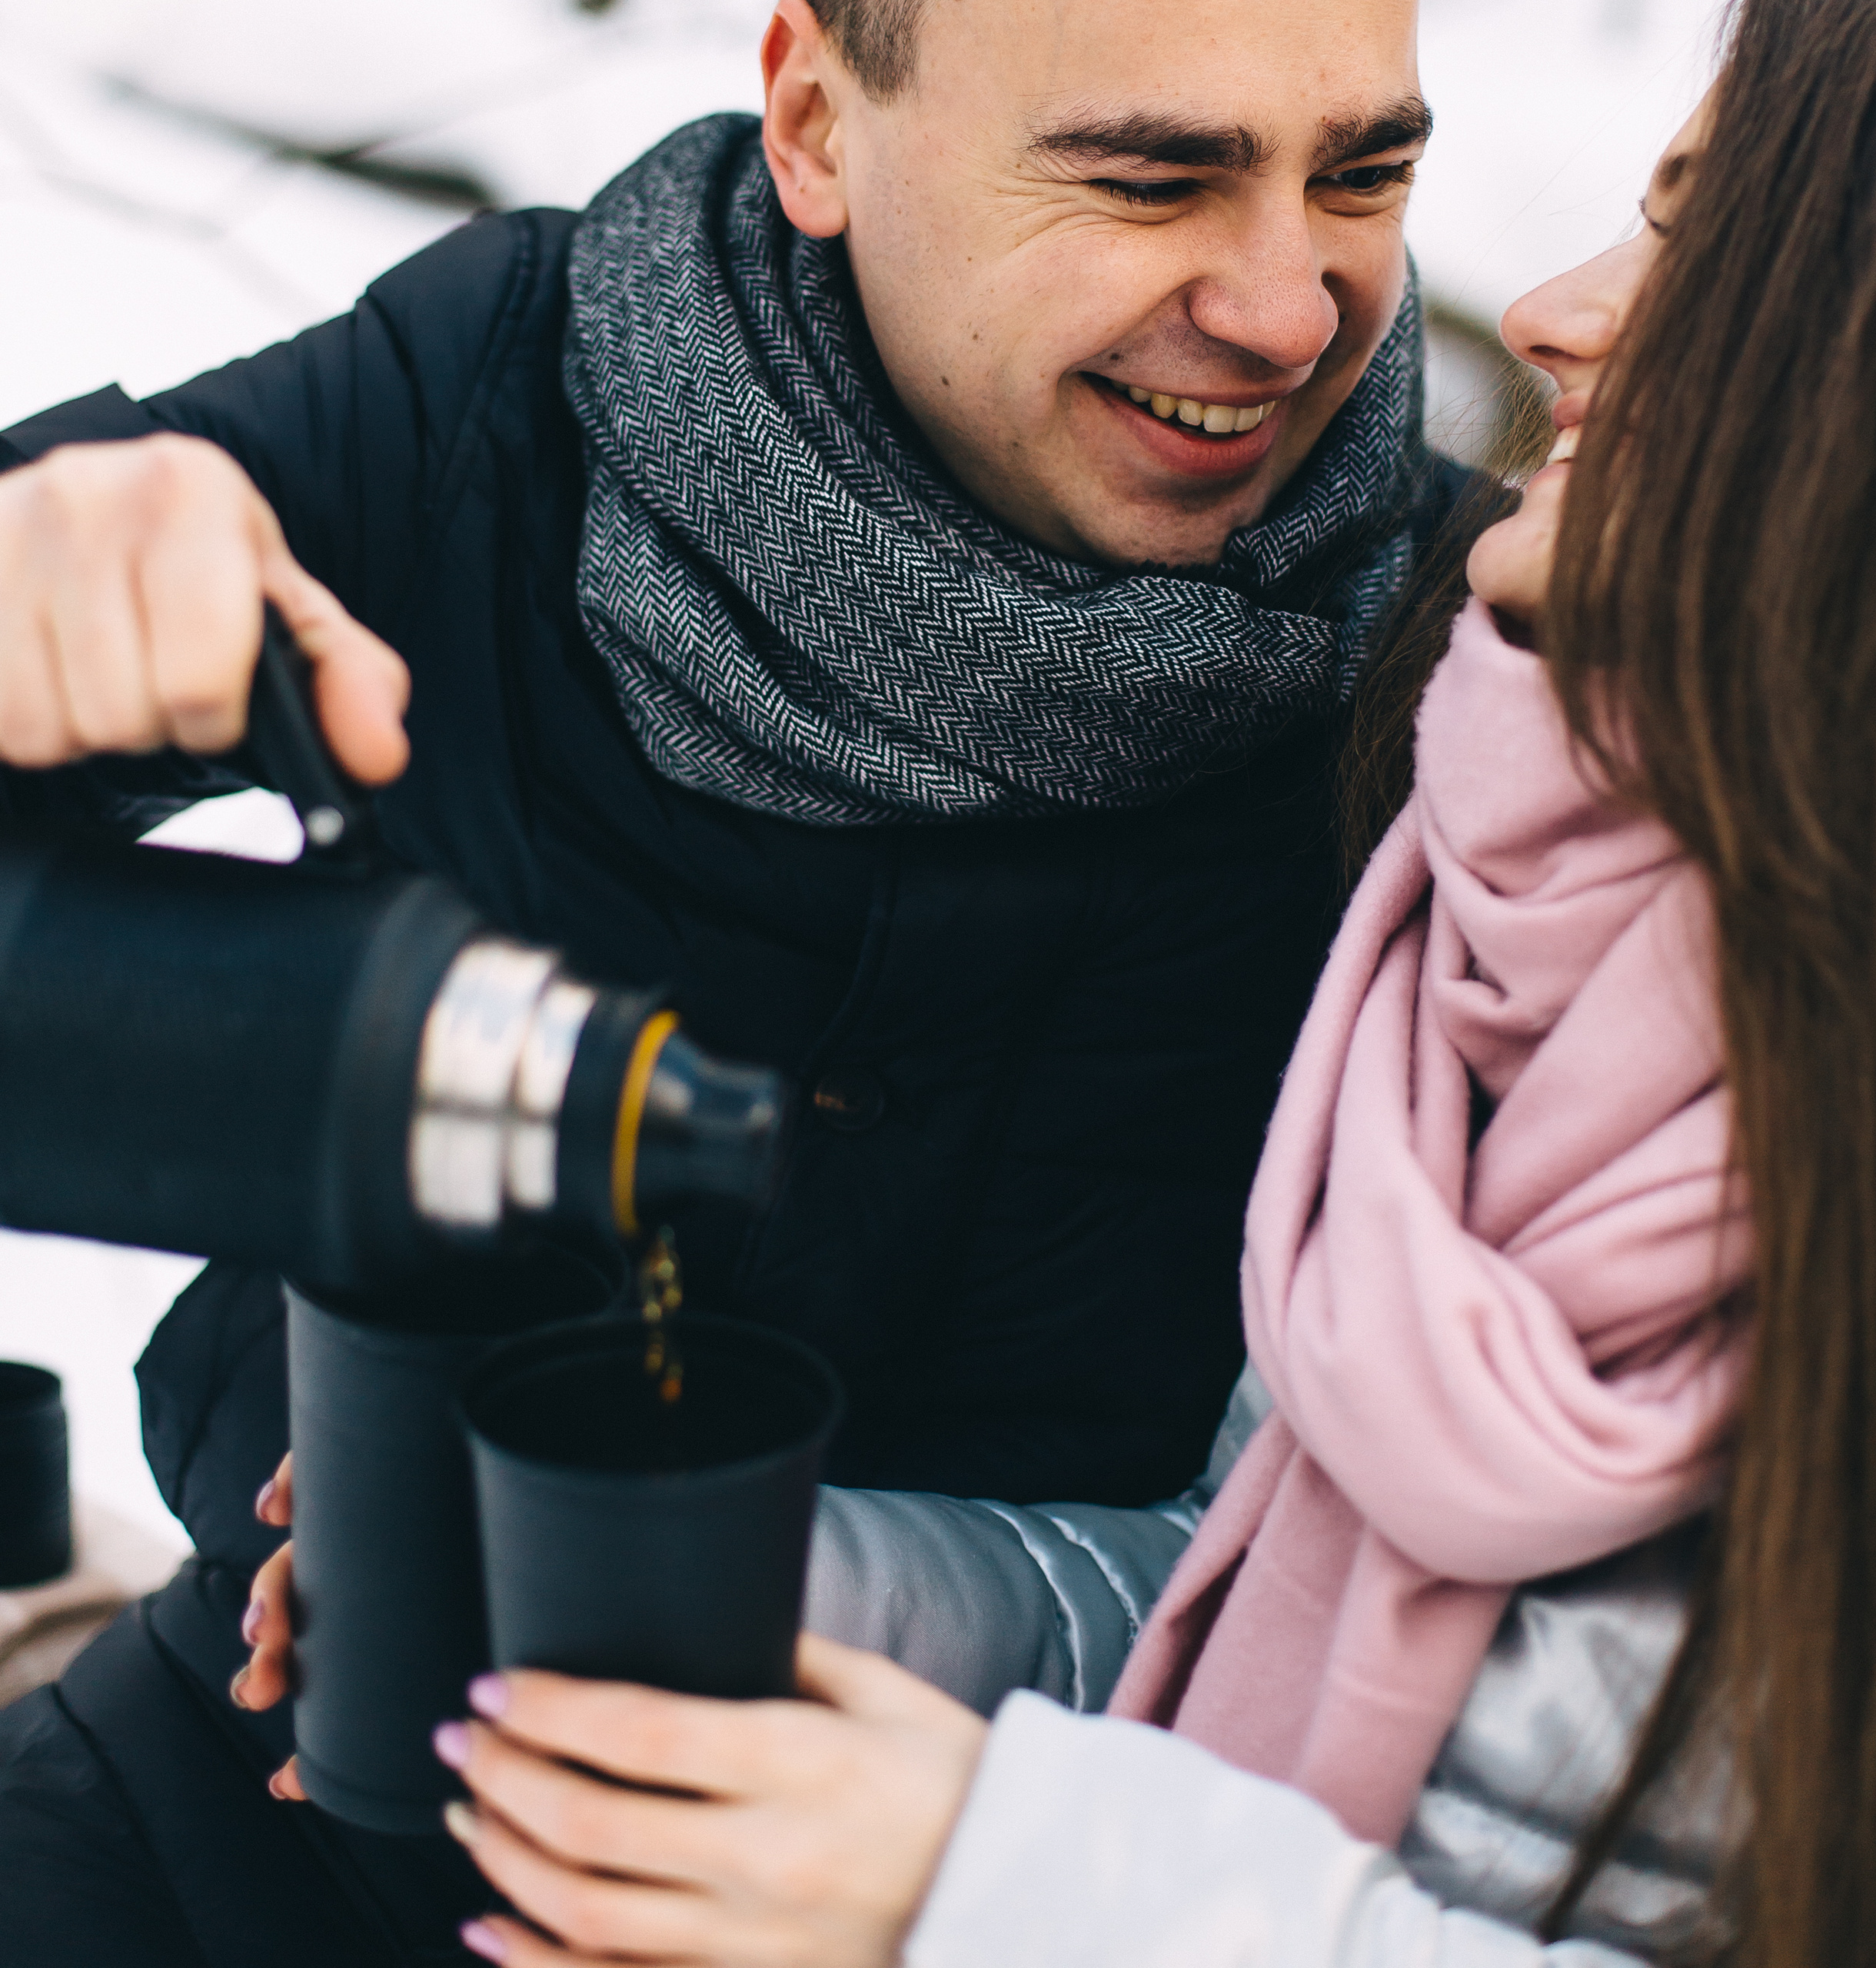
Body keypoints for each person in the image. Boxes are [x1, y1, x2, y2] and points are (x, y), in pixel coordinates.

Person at [386, 2, 1876, 1963]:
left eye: (1719, 250)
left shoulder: (1402, 699)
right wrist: (773, 1581)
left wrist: (1004, 1886)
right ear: (810, 120)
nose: (1552, 312)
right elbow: (1235, 1603)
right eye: (1149, 176)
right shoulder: (1511, 891)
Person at [0, 0, 1469, 1958]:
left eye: (1361, 174)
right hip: (255, 1777)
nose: (1290, 309)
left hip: (978, 1889)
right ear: (813, 121)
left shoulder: (1465, 675)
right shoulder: (498, 393)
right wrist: (55, 554)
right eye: (1149, 178)